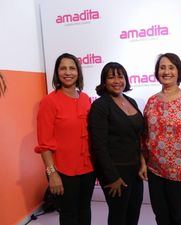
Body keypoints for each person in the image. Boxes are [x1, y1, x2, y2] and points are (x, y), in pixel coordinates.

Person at [140, 53, 181, 225]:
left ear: (178, 72)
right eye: (162, 67)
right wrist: (143, 162)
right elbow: (144, 135)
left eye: (171, 67)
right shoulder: (152, 101)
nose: (166, 71)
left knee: (179, 218)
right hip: (155, 171)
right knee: (161, 217)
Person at [35, 53, 95, 225]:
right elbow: (44, 144)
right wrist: (52, 174)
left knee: (85, 209)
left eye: (72, 68)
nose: (68, 72)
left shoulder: (85, 98)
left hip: (88, 169)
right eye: (63, 68)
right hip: (63, 171)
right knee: (69, 215)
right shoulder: (49, 102)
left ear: (78, 72)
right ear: (57, 73)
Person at [88, 62, 144, 225]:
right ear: (104, 82)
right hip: (115, 172)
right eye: (111, 77)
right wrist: (112, 177)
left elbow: (136, 137)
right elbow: (99, 146)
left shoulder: (131, 100)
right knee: (118, 216)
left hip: (135, 170)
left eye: (120, 76)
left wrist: (142, 162)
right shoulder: (100, 106)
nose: (116, 81)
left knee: (133, 213)